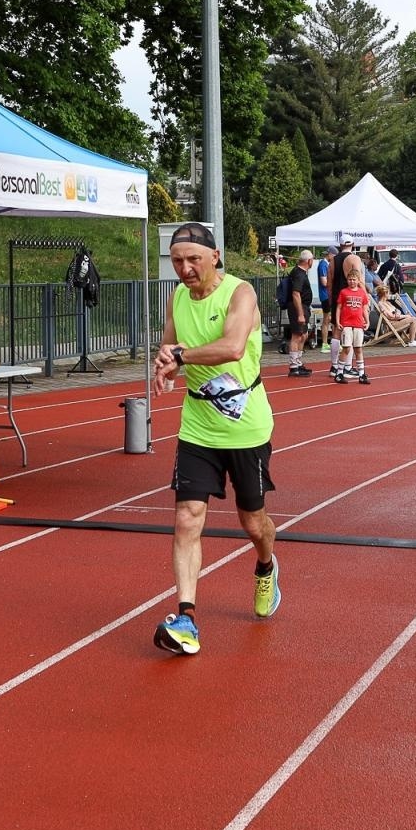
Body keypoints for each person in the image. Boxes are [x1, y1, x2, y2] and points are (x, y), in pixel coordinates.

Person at [151, 223, 281, 656]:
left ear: (215, 256)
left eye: (193, 259)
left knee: (253, 522)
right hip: (198, 426)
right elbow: (170, 347)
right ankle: (186, 616)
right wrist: (165, 366)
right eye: (177, 261)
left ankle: (265, 566)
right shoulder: (177, 297)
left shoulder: (240, 293)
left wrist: (182, 356)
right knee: (187, 516)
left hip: (246, 427)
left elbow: (233, 347)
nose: (185, 268)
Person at [334, 255, 373, 384]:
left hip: (358, 324)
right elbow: (339, 307)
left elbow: (364, 308)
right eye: (350, 279)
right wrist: (338, 321)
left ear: (358, 280)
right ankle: (339, 372)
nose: (352, 282)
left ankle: (362, 374)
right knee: (346, 348)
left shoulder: (362, 293)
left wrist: (367, 321)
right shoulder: (344, 292)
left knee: (358, 348)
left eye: (354, 279)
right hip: (346, 324)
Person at [327, 237, 358, 376]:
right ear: (353, 244)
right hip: (351, 298)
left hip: (336, 297)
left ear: (339, 245)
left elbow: (329, 283)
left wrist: (331, 300)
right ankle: (347, 366)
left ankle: (334, 366)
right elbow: (358, 279)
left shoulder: (333, 261)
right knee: (350, 331)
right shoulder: (354, 259)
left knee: (336, 331)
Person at [285, 250, 316, 377]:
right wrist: (300, 314)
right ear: (309, 261)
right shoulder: (299, 274)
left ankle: (297, 362)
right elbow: (296, 293)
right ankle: (294, 366)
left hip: (303, 306)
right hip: (298, 307)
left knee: (303, 335)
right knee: (297, 335)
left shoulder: (300, 272)